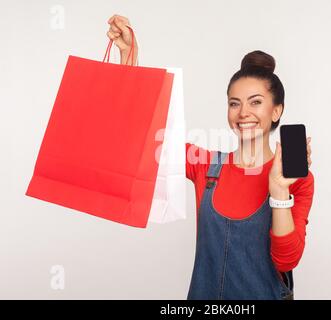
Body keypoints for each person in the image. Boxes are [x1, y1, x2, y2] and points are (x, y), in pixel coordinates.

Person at [106, 14, 315, 300]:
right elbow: (141, 136)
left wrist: (279, 189)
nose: (243, 113)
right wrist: (129, 56)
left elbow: (286, 260)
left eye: (256, 102)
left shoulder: (298, 180)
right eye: (234, 103)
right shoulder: (205, 164)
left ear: (276, 111)